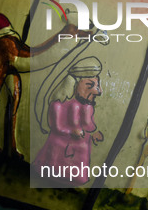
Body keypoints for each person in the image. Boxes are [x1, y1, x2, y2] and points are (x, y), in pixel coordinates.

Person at [32, 57, 104, 185]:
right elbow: (56, 126)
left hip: (79, 147)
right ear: (74, 84)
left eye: (97, 85)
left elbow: (88, 124)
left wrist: (94, 132)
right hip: (60, 145)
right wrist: (71, 131)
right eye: (89, 85)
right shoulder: (58, 105)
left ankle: (74, 178)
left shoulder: (87, 106)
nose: (97, 91)